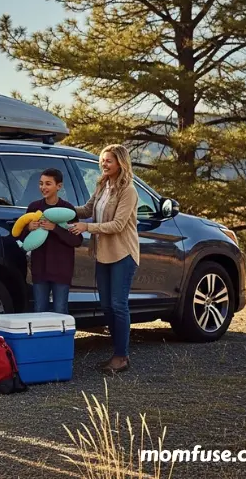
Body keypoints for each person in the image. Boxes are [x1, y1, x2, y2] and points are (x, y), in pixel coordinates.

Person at [68, 144, 140, 375]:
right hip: (103, 253)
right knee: (107, 305)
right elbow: (88, 209)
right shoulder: (103, 185)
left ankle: (122, 356)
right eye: (102, 160)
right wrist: (61, 208)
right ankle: (117, 352)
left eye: (108, 160)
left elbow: (118, 225)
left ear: (120, 162)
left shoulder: (128, 190)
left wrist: (86, 227)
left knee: (119, 305)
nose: (104, 164)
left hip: (123, 254)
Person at [22, 168, 83, 314]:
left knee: (60, 309)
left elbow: (76, 240)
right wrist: (29, 228)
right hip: (39, 269)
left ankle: (61, 337)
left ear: (59, 186)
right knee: (39, 309)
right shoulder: (34, 207)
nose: (43, 187)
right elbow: (22, 239)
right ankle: (40, 337)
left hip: (61, 270)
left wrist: (55, 228)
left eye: (48, 184)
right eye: (41, 183)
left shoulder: (67, 210)